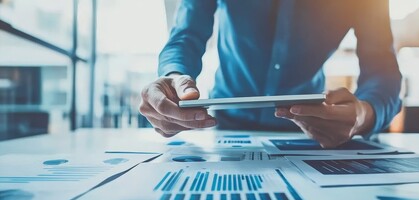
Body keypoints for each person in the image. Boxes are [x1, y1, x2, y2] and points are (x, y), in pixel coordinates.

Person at [139, 0, 402, 148]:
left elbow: (383, 68)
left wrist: (363, 115)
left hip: (312, 133)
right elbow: (186, 35)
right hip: (224, 129)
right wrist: (174, 78)